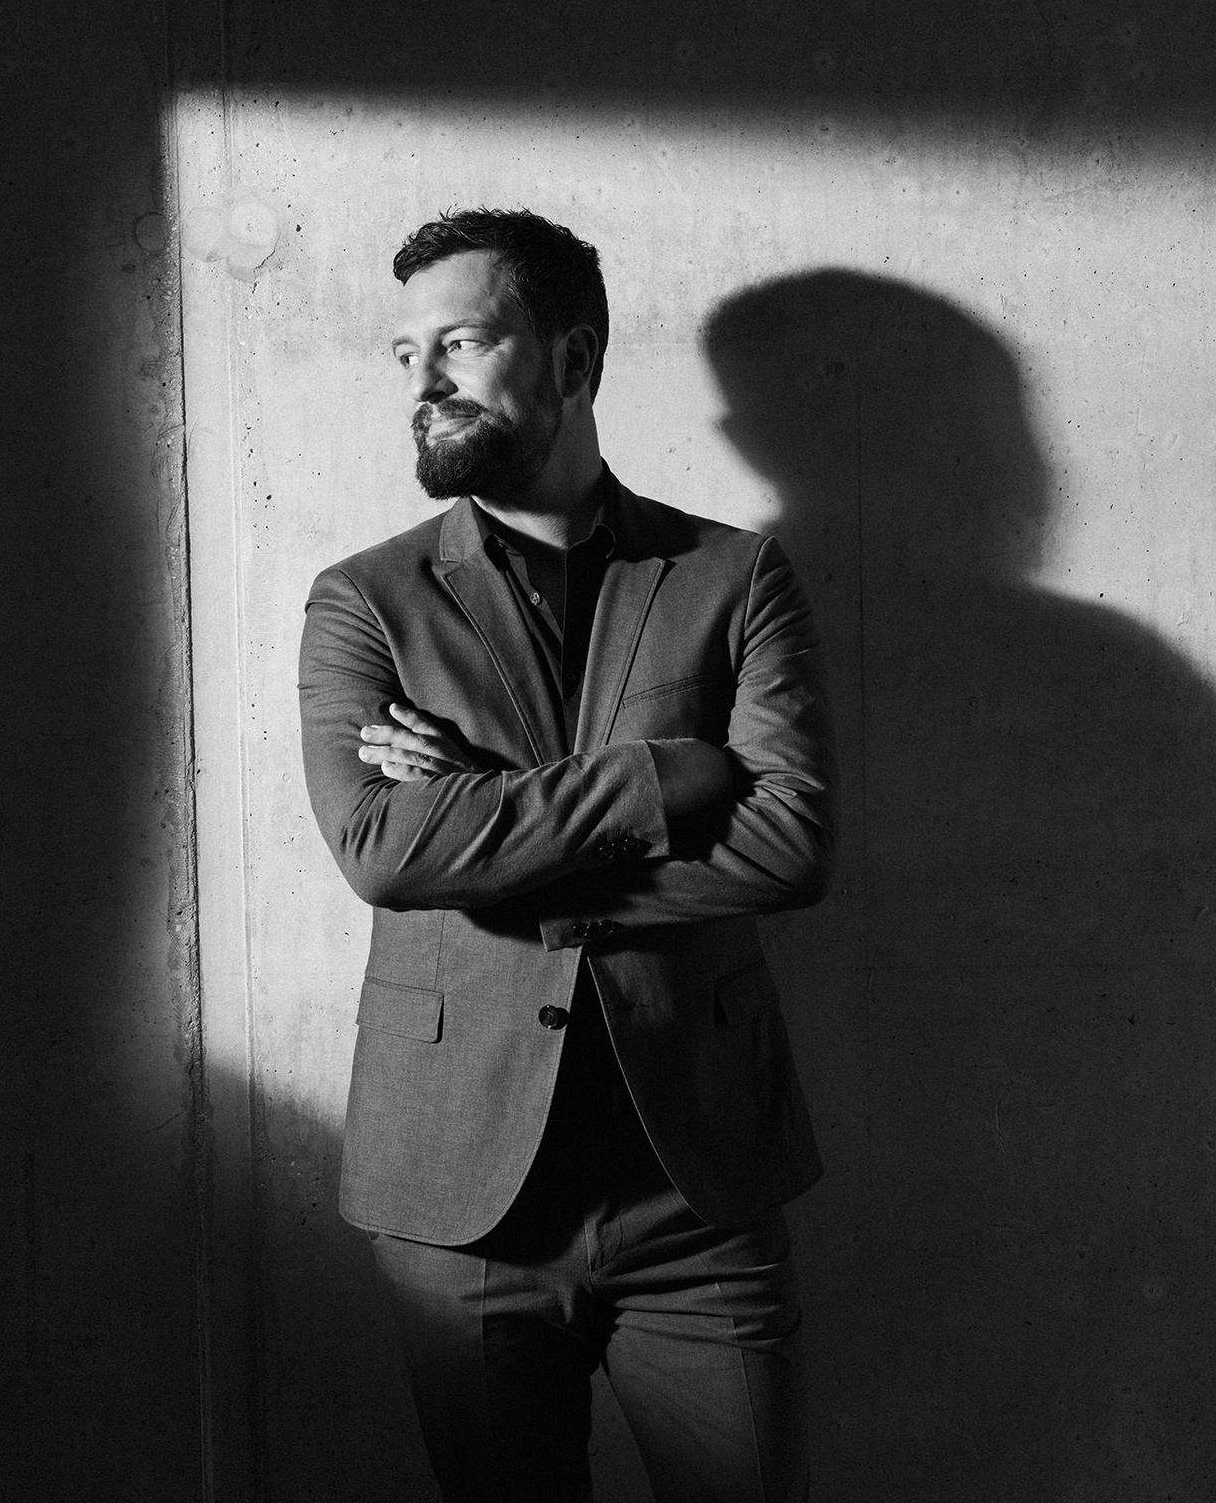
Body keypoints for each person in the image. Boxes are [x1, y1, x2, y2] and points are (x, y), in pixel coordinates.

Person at [296, 208, 834, 1503]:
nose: (422, 379)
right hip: (460, 1199)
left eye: (462, 342)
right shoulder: (367, 601)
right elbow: (382, 849)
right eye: (405, 350)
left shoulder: (732, 578)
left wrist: (482, 823)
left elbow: (788, 845)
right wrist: (659, 779)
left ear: (573, 359)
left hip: (696, 1193)